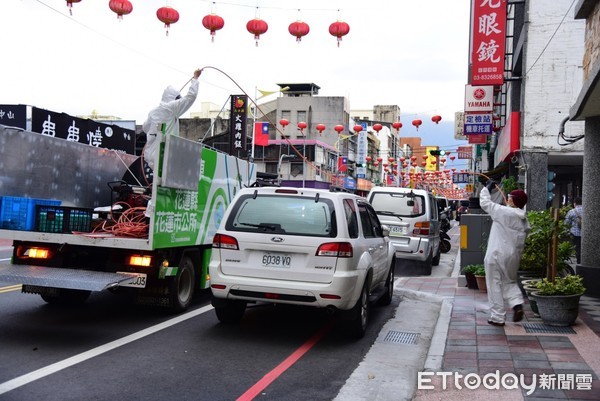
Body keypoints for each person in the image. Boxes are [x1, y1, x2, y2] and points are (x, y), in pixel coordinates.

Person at [480, 181, 531, 326]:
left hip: (496, 254)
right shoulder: (524, 220)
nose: (507, 199)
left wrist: (486, 189)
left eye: (510, 198)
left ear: (514, 201)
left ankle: (497, 317)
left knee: (494, 283)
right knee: (509, 281)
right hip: (513, 257)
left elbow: (485, 203)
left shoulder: (504, 212)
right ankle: (517, 304)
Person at [142, 68, 202, 170]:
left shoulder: (153, 112)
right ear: (174, 98)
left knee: (158, 181)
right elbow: (191, 97)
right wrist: (195, 78)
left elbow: (144, 128)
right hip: (165, 155)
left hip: (150, 156)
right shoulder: (172, 108)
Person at [565, 196, 582, 264]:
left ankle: (579, 261)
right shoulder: (588, 210)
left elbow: (566, 223)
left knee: (577, 248)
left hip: (575, 233)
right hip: (586, 234)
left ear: (574, 203)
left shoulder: (571, 211)